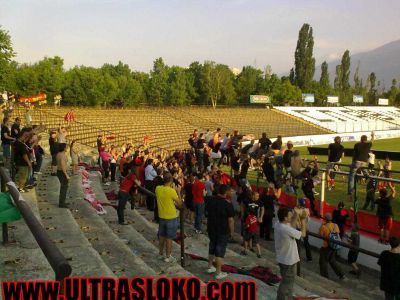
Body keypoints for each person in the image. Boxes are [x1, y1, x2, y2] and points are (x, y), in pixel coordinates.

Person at [206, 184, 234, 280]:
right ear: (226, 192)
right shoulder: (228, 204)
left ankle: (210, 266)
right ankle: (218, 272)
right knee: (219, 252)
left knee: (212, 247)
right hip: (222, 230)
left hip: (211, 228)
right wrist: (232, 232)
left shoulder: (210, 200)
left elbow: (207, 213)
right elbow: (230, 220)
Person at [274, 207, 302, 300]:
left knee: (288, 282)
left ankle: (287, 298)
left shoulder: (279, 224)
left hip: (284, 259)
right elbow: (303, 234)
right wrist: (304, 222)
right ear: (285, 218)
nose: (292, 216)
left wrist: (296, 215)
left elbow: (291, 226)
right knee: (287, 283)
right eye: (290, 215)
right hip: (289, 260)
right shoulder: (285, 229)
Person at [155, 173, 183, 263]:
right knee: (169, 238)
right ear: (171, 181)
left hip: (161, 216)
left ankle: (160, 254)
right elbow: (180, 204)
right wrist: (178, 192)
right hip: (171, 217)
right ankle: (168, 256)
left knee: (162, 236)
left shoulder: (158, 189)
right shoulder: (171, 191)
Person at [318, 213, 345, 280]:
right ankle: (341, 274)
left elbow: (319, 235)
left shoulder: (323, 227)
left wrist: (321, 226)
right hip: (335, 245)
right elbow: (337, 233)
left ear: (325, 219)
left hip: (326, 246)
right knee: (332, 260)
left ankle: (324, 276)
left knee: (323, 261)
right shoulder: (335, 225)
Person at [348, 132, 374, 196]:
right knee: (364, 171)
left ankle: (350, 191)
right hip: (364, 162)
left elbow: (354, 155)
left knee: (351, 176)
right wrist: (373, 135)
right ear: (366, 139)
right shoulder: (368, 144)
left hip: (357, 162)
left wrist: (352, 163)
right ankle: (368, 178)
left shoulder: (356, 144)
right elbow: (372, 141)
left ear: (361, 139)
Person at [294, 198, 312, 263]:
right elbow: (308, 219)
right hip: (305, 228)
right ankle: (309, 257)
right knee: (306, 243)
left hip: (299, 228)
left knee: (297, 243)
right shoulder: (307, 210)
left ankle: (297, 257)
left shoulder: (296, 210)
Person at [14, 128, 32, 192]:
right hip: (22, 163)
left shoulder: (19, 142)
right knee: (23, 176)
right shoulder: (20, 144)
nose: (26, 137)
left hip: (20, 162)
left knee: (23, 175)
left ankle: (22, 187)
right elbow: (24, 155)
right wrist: (29, 162)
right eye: (25, 136)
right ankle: (20, 188)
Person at [56, 143, 70, 208]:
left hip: (59, 171)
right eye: (66, 147)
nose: (67, 148)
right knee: (64, 188)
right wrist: (66, 174)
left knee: (63, 187)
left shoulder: (58, 154)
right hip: (62, 172)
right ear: (64, 148)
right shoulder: (63, 155)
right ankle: (62, 203)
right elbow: (62, 165)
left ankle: (62, 202)